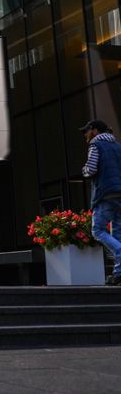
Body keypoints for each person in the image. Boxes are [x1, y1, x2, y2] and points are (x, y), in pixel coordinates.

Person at [81, 119, 121, 285]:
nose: (86, 135)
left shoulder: (96, 145)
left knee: (97, 230)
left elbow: (91, 168)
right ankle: (119, 273)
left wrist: (83, 171)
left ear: (95, 131)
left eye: (87, 131)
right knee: (118, 232)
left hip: (106, 193)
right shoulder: (118, 146)